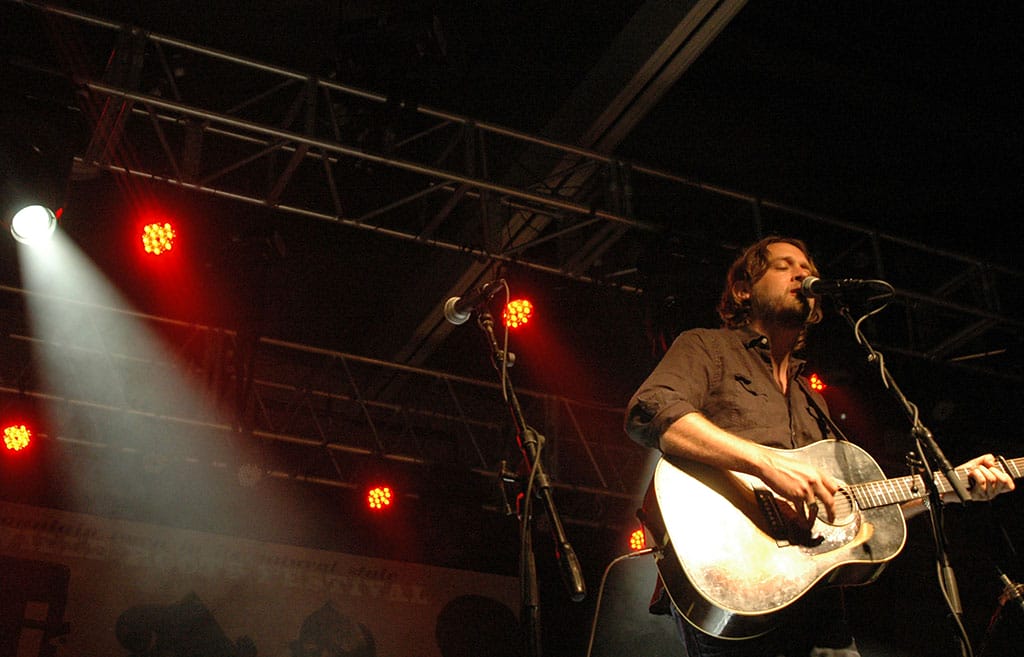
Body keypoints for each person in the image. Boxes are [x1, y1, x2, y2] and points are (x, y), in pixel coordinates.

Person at [624, 235, 1015, 657]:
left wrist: (949, 488)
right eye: (784, 266)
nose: (802, 274)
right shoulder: (708, 347)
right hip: (732, 578)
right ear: (743, 290)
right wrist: (766, 464)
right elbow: (649, 411)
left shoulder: (812, 399)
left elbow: (849, 507)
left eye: (808, 269)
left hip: (817, 603)